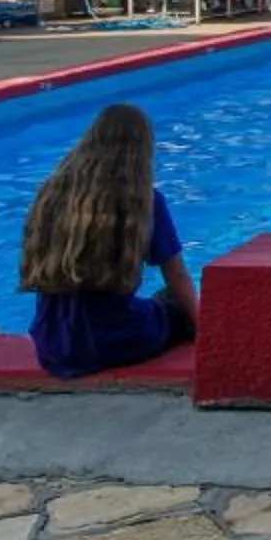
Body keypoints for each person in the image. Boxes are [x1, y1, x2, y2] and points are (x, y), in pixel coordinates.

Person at [18, 103, 200, 380]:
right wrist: (204, 329)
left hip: (52, 343)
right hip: (114, 340)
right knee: (173, 301)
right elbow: (175, 273)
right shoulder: (144, 202)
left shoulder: (51, 196)